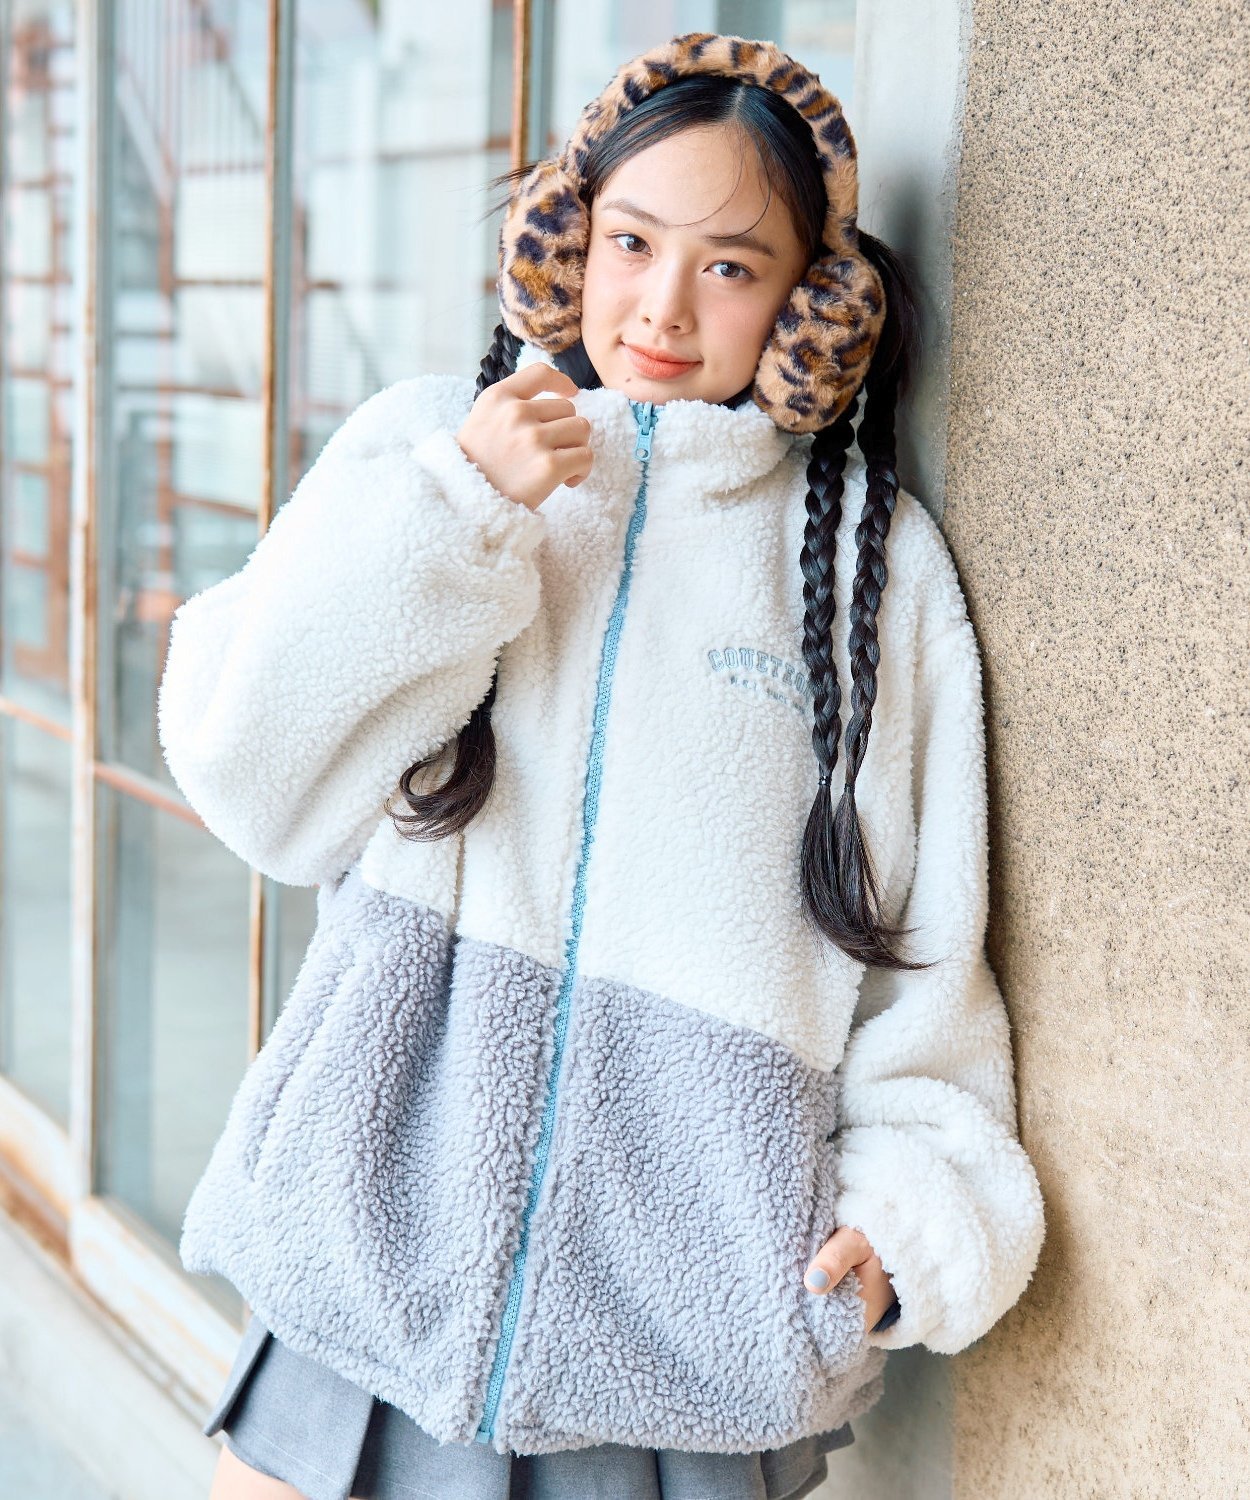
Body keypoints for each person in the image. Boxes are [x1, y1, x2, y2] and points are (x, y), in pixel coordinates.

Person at [160, 31, 1046, 1500]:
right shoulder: (427, 452)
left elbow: (925, 942)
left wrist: (909, 1211)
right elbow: (249, 772)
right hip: (365, 1262)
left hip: (676, 1342)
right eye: (632, 242)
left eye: (730, 265)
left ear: (809, 305)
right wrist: (456, 514)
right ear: (568, 244)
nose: (663, 304)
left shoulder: (866, 572)